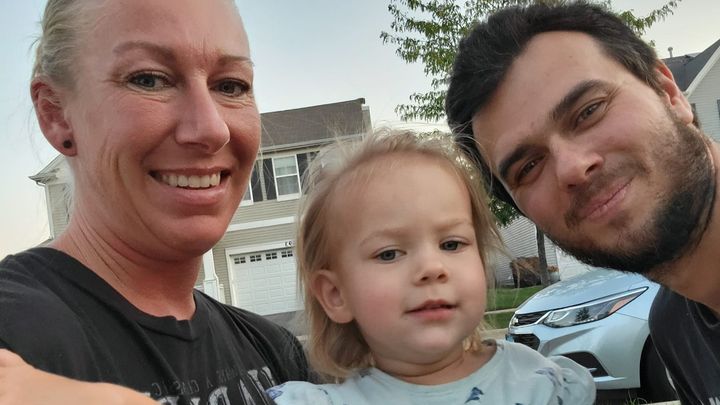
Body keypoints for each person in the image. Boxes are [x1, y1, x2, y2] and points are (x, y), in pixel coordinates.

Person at [0, 0, 310, 403]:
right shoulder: (14, 337)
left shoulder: (275, 353)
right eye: (149, 80)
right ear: (56, 114)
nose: (212, 129)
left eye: (230, 86)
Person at [445, 2, 720, 403]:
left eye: (589, 111)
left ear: (668, 92)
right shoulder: (674, 327)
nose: (572, 168)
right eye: (529, 167)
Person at [265, 130, 595, 404]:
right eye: (389, 254)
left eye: (451, 244)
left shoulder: (541, 383)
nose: (432, 268)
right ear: (336, 294)